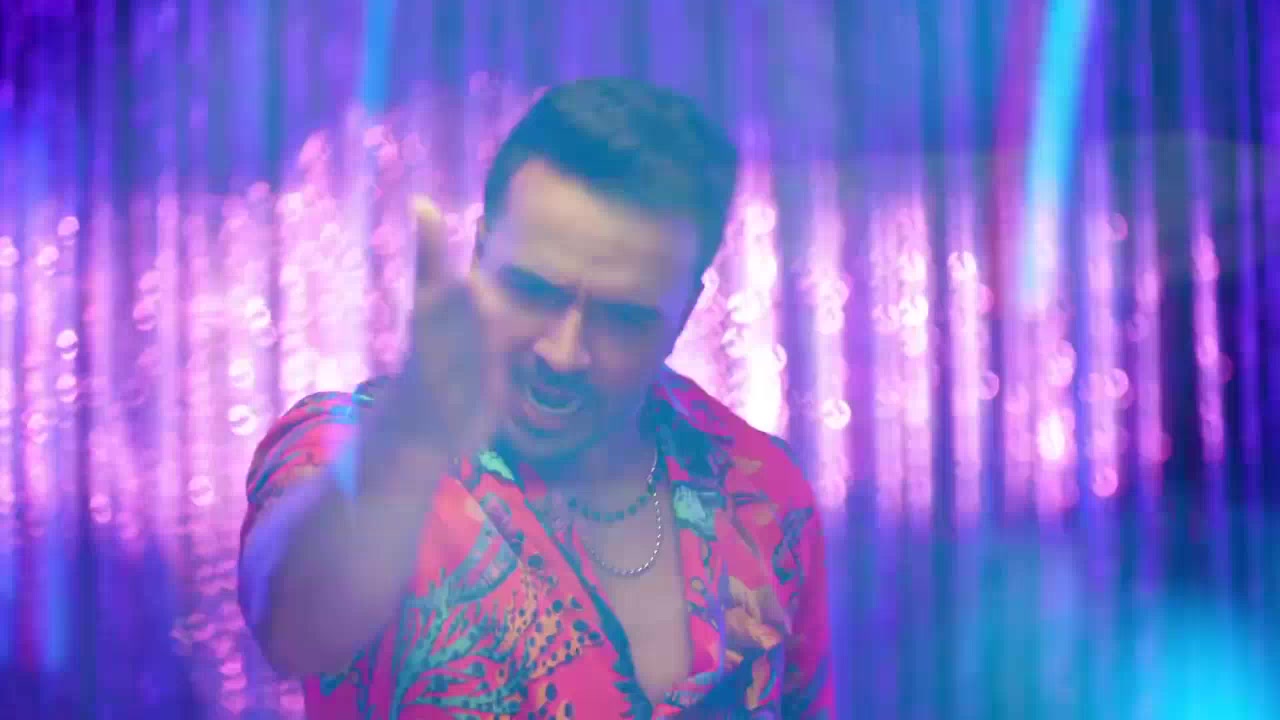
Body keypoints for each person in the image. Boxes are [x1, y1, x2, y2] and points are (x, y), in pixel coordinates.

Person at [238, 77, 833, 719]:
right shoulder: (353, 446)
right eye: (533, 291)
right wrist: (405, 439)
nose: (563, 353)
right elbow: (290, 632)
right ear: (479, 257)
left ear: (684, 311)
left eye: (622, 317)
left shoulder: (762, 487)